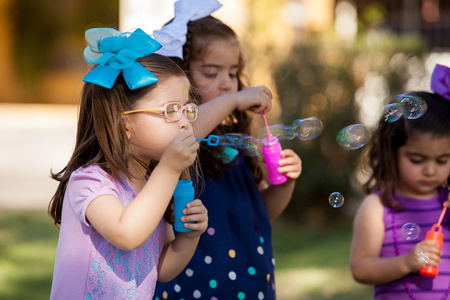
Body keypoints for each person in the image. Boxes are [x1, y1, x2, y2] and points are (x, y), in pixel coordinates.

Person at [153, 1, 302, 299]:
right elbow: (186, 132)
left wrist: (285, 183)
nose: (227, 84)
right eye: (211, 73)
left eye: (233, 73)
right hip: (192, 284)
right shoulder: (176, 140)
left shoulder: (234, 140)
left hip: (249, 283)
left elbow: (261, 212)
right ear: (178, 76)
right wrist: (234, 101)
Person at [48, 27, 210, 300]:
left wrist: (189, 238)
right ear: (125, 124)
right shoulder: (90, 181)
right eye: (171, 110)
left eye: (188, 109)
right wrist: (169, 169)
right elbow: (127, 233)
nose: (185, 121)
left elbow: (161, 269)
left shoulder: (152, 186)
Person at [349, 64, 450, 300]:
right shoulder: (378, 207)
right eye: (417, 159)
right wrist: (406, 263)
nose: (430, 170)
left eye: (443, 160)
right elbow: (360, 268)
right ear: (392, 152)